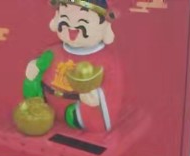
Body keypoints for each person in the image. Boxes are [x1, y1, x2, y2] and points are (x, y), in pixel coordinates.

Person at [24, 1, 121, 133]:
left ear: (105, 26)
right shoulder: (53, 52)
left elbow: (113, 90)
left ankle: (76, 117)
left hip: (77, 111)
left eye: (83, 21)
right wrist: (34, 70)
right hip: (46, 108)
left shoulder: (105, 61)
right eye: (65, 18)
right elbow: (39, 70)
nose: (72, 27)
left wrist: (97, 97)